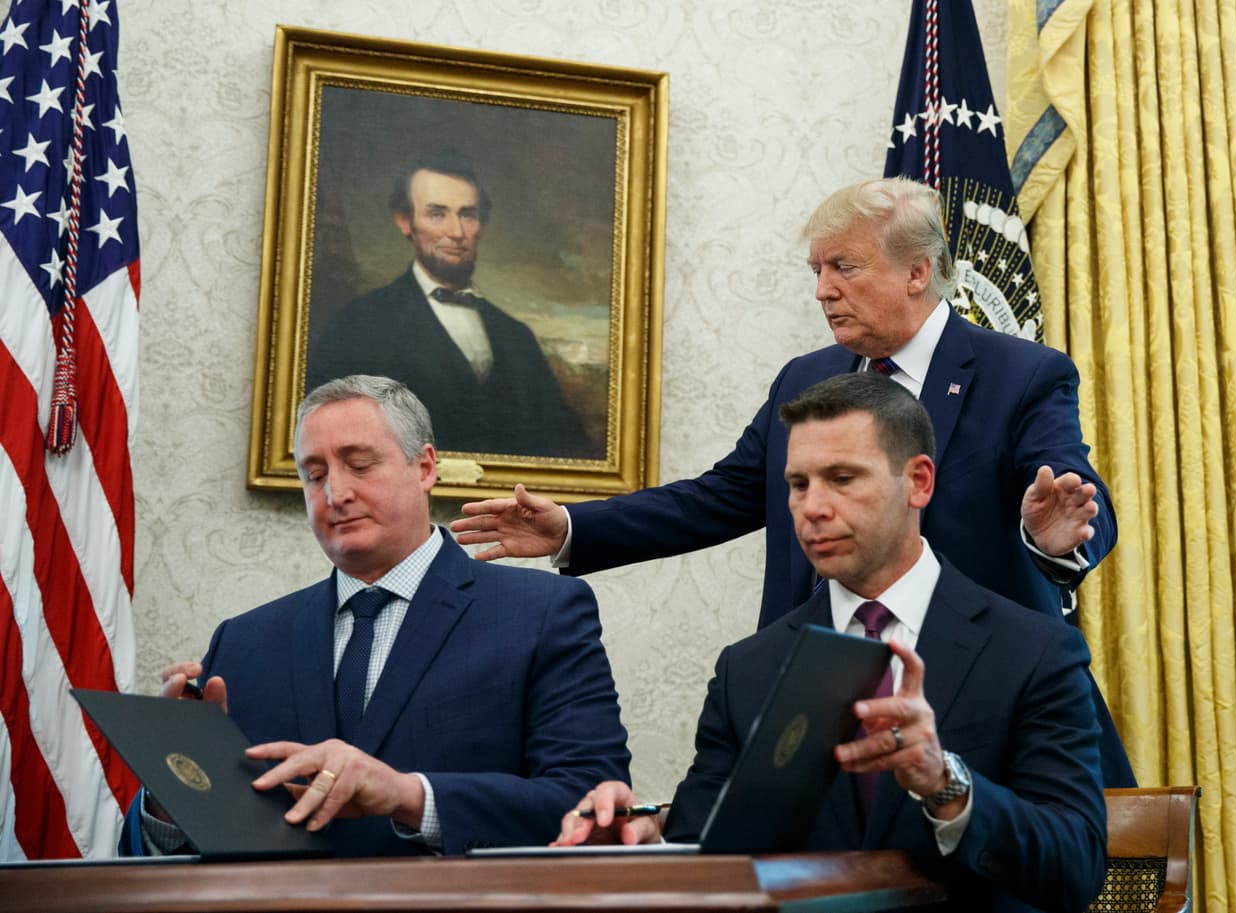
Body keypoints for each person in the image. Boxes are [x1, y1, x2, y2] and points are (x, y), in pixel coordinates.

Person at [451, 175, 1135, 786]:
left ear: (917, 271)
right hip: (817, 693)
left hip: (970, 694)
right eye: (816, 269)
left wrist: (1051, 539)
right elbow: (721, 496)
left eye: (844, 266)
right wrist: (571, 527)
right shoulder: (808, 378)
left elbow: (1069, 488)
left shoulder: (1021, 372)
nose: (822, 289)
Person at [556, 373, 1107, 913]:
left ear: (918, 482)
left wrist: (946, 783)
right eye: (799, 484)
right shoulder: (747, 669)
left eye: (842, 479)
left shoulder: (1033, 652)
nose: (812, 508)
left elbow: (1074, 870)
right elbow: (713, 847)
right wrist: (645, 842)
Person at [120, 375, 629, 857]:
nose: (335, 494)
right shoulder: (244, 641)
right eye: (314, 475)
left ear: (425, 467)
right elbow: (186, 847)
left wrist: (411, 796)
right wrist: (173, 783)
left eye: (360, 466)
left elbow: (593, 804)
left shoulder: (540, 613)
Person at [306, 152, 595, 458]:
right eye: (437, 214)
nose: (456, 232)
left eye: (468, 214)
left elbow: (565, 444)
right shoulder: (358, 325)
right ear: (405, 221)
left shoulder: (517, 336)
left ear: (481, 224)